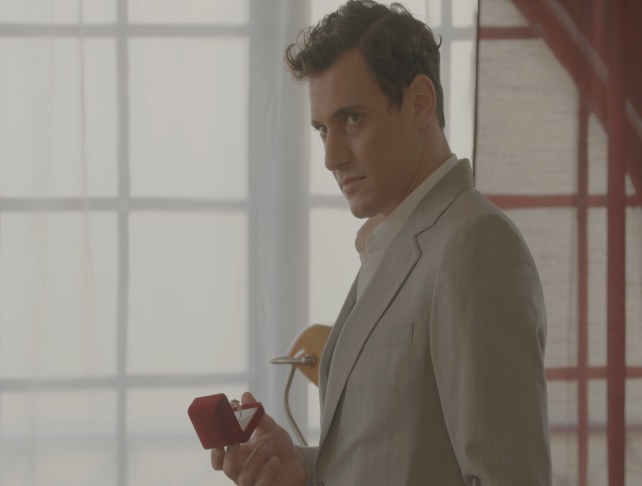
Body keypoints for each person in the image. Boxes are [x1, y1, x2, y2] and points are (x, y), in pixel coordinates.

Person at [211, 1, 551, 484]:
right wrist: (304, 469)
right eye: (322, 129)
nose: (331, 157)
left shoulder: (474, 245)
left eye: (352, 118)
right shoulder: (394, 242)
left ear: (420, 102)